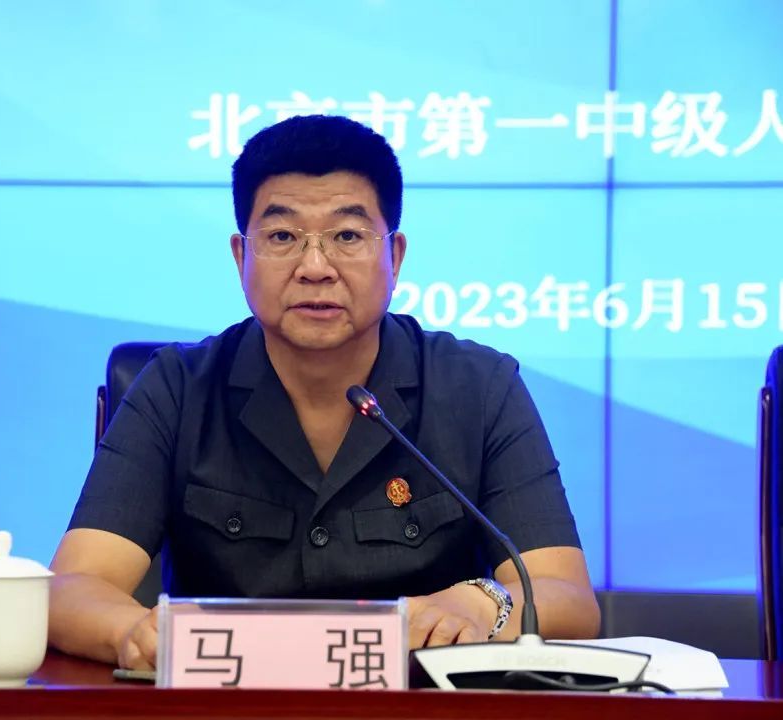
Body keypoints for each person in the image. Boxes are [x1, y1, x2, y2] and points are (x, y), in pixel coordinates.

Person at [48, 115, 600, 670]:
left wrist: (483, 604)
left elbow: (567, 596)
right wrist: (133, 633)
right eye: (282, 237)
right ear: (241, 257)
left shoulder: (479, 388)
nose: (315, 268)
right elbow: (72, 588)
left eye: (347, 236)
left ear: (395, 257)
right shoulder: (176, 388)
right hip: (227, 702)